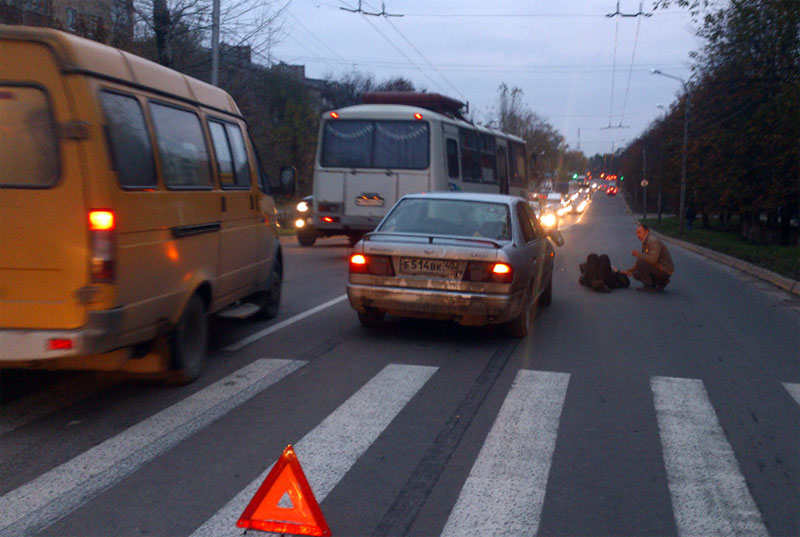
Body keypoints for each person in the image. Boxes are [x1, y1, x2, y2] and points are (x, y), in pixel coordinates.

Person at [621, 223, 674, 292]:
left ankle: (649, 286)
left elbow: (653, 260)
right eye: (636, 233)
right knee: (636, 274)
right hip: (659, 268)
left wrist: (638, 254)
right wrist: (629, 271)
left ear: (646, 232)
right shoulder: (645, 241)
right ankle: (661, 282)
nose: (638, 235)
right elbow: (643, 260)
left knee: (640, 262)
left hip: (664, 269)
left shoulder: (653, 241)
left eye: (640, 232)